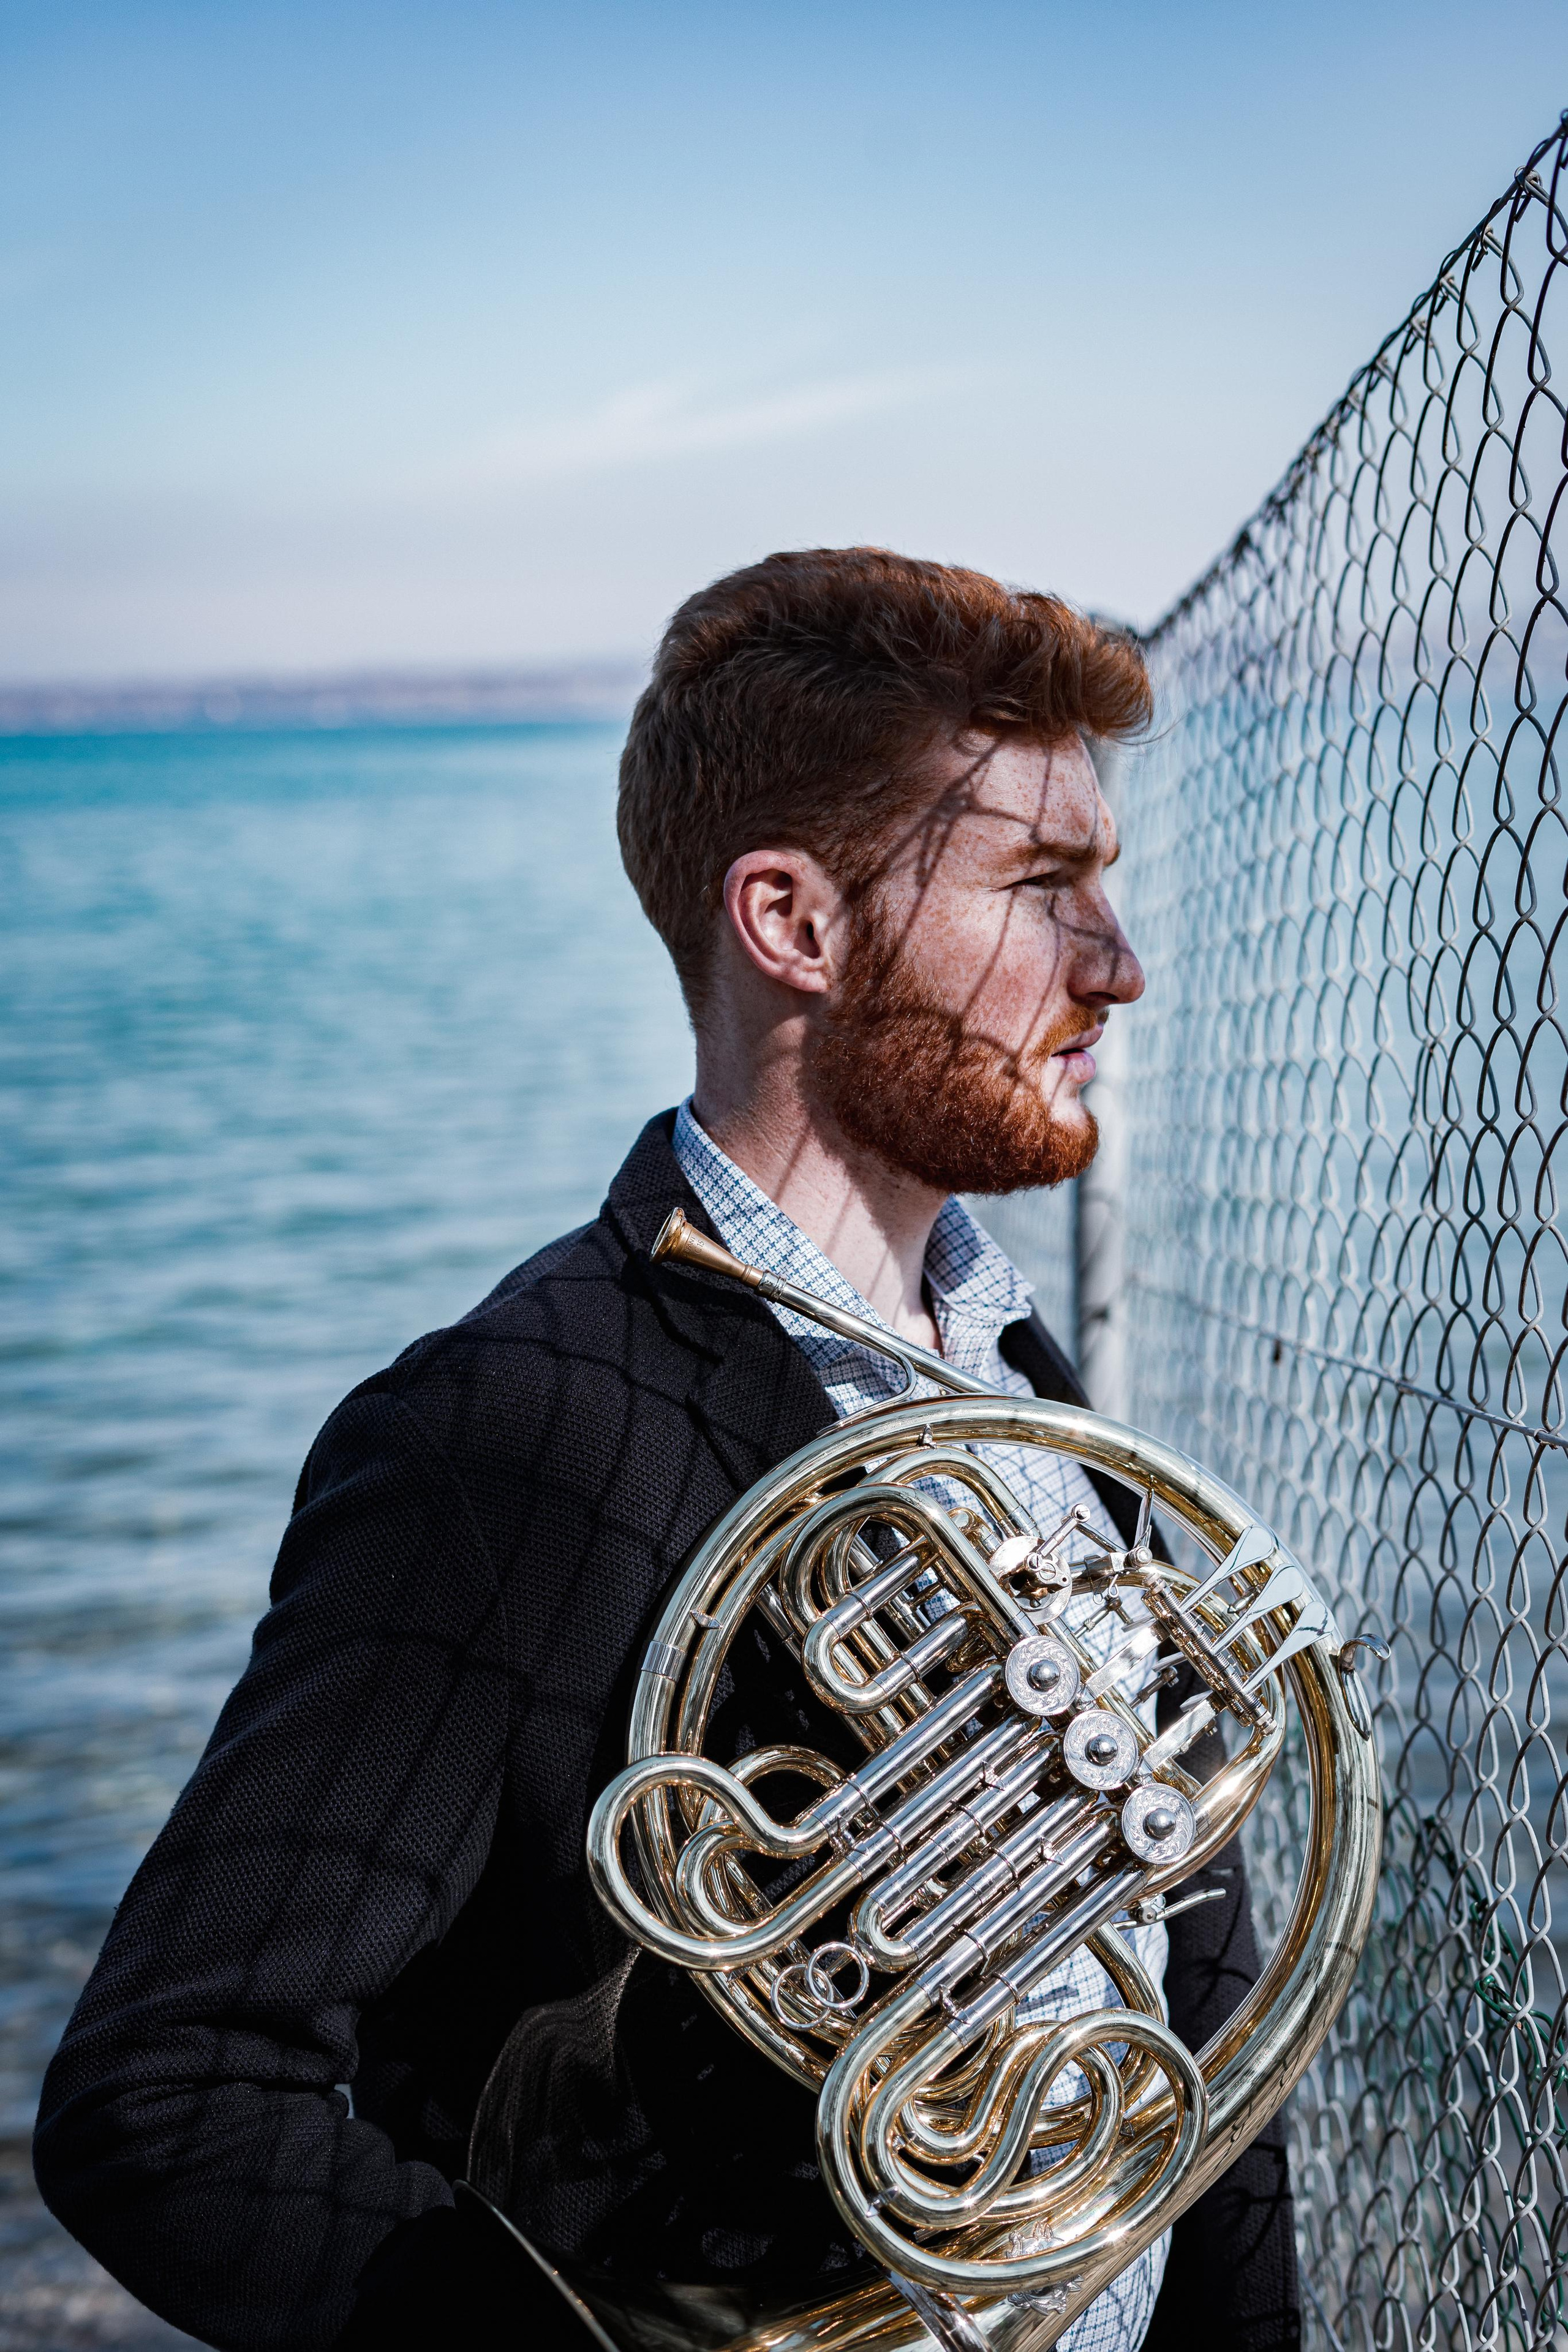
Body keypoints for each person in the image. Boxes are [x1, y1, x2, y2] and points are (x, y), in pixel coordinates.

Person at [34, 549, 1297, 2352]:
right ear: (791, 922)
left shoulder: (1017, 1367)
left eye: (1107, 881)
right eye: (1041, 885)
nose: (1122, 966)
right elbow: (164, 2100)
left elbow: (1190, 1978)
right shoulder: (513, 1432)